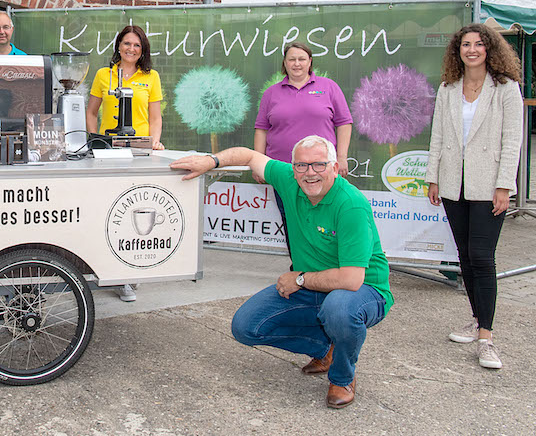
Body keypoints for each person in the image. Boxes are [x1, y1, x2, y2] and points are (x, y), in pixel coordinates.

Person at [170, 135, 392, 409]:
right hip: (313, 285)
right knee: (246, 327)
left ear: (335, 168)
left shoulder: (351, 205)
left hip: (363, 290)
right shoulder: (290, 179)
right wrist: (211, 161)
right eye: (301, 165)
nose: (310, 173)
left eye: (319, 165)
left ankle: (342, 377)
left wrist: (300, 279)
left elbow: (351, 279)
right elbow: (249, 155)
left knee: (338, 309)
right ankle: (325, 349)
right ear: (294, 168)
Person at [425, 23, 523, 370]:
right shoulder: (448, 88)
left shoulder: (506, 88)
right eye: (466, 44)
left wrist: (504, 185)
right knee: (465, 256)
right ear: (458, 50)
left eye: (479, 44)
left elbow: (512, 140)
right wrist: (433, 177)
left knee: (482, 257)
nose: (472, 50)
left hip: (488, 185)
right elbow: (438, 135)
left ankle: (486, 337)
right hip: (453, 184)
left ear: (489, 48)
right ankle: (476, 318)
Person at [87, 24, 164, 302]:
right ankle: (109, 270)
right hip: (108, 153)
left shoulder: (151, 77)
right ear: (118, 46)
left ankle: (127, 275)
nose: (131, 49)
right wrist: (94, 141)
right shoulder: (103, 75)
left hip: (138, 153)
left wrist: (154, 142)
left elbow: (155, 117)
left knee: (132, 211)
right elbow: (91, 112)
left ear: (143, 50)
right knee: (107, 211)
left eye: (137, 45)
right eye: (127, 43)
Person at [254, 41, 352, 257]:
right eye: (292, 59)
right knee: (291, 220)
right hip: (284, 171)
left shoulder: (329, 87)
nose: (296, 63)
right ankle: (299, 265)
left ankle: (326, 265)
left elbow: (344, 123)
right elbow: (261, 129)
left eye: (301, 59)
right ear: (284, 63)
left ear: (310, 62)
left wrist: (342, 156)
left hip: (321, 170)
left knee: (325, 219)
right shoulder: (271, 93)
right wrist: (259, 163)